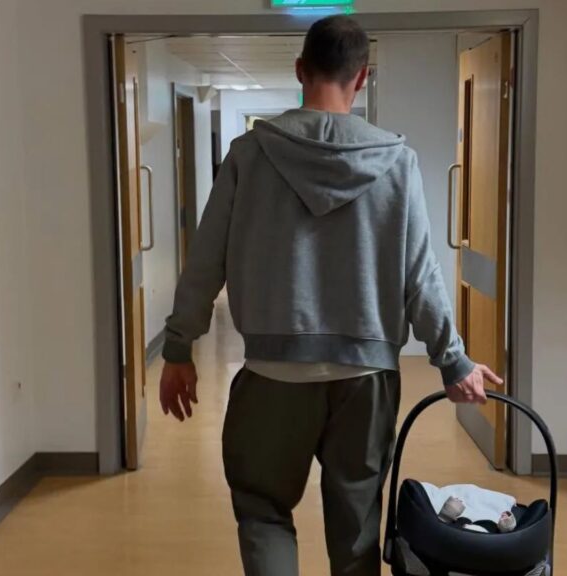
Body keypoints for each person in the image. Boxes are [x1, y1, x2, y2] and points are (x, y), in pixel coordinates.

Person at [159, 15, 503, 576]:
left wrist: (179, 348)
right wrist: (453, 361)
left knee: (263, 512)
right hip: (366, 378)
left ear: (300, 70)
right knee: (357, 530)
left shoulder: (249, 154)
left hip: (272, 374)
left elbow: (206, 260)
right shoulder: (398, 162)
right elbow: (420, 274)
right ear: (361, 78)